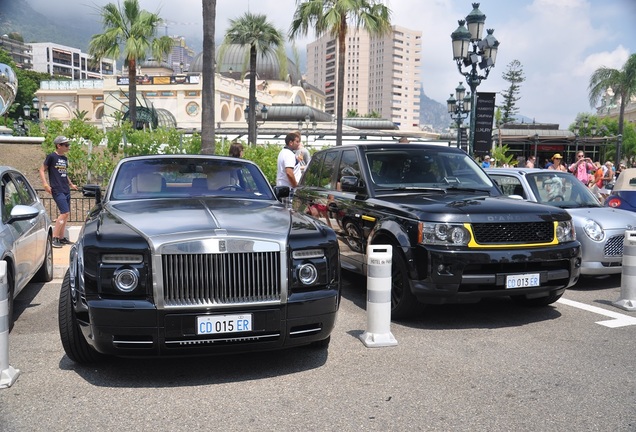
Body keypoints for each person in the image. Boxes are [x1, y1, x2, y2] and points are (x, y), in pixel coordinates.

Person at [39, 136, 79, 248]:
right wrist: (45, 184)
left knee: (66, 215)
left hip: (65, 189)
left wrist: (71, 184)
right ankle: (55, 238)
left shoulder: (64, 159)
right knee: (64, 213)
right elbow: (41, 169)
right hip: (57, 189)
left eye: (68, 145)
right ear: (58, 145)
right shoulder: (51, 156)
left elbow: (64, 174)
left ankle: (61, 238)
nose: (68, 147)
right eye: (66, 145)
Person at [276, 132, 302, 206]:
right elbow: (289, 173)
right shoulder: (289, 154)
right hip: (289, 189)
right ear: (291, 142)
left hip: (284, 188)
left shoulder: (283, 152)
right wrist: (295, 186)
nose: (298, 143)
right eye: (297, 141)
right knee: (291, 213)